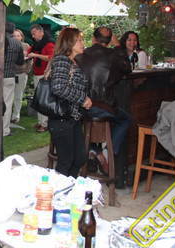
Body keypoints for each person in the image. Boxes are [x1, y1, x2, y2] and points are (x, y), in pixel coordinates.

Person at [76, 26, 132, 188]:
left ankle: (93, 149)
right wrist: (119, 46)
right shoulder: (114, 55)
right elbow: (127, 69)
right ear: (109, 41)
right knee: (126, 119)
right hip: (104, 106)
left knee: (85, 125)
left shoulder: (81, 54)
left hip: (81, 105)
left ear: (94, 39)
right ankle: (107, 152)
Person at [49, 27, 91, 177]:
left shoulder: (72, 61)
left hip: (71, 118)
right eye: (78, 40)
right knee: (66, 161)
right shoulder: (62, 60)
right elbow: (58, 87)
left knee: (78, 158)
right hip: (62, 119)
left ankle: (69, 186)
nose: (82, 43)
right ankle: (59, 189)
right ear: (69, 43)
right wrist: (82, 99)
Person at [27, 24, 55, 132]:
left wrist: (36, 55)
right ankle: (40, 122)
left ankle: (45, 124)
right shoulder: (37, 44)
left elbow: (51, 58)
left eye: (34, 34)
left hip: (45, 75)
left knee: (43, 100)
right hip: (37, 74)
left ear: (41, 32)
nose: (33, 36)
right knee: (39, 100)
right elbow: (29, 51)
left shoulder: (49, 44)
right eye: (32, 34)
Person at [3, 22, 26, 136]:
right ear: (13, 31)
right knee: (7, 104)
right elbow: (20, 62)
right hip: (9, 76)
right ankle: (4, 130)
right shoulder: (17, 43)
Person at [10, 28, 32, 124]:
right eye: (14, 35)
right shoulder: (9, 45)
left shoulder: (26, 46)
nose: (16, 37)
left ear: (21, 37)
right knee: (8, 96)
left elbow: (31, 60)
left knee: (18, 96)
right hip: (10, 74)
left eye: (18, 35)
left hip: (22, 74)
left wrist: (26, 71)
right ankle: (7, 115)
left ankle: (16, 116)